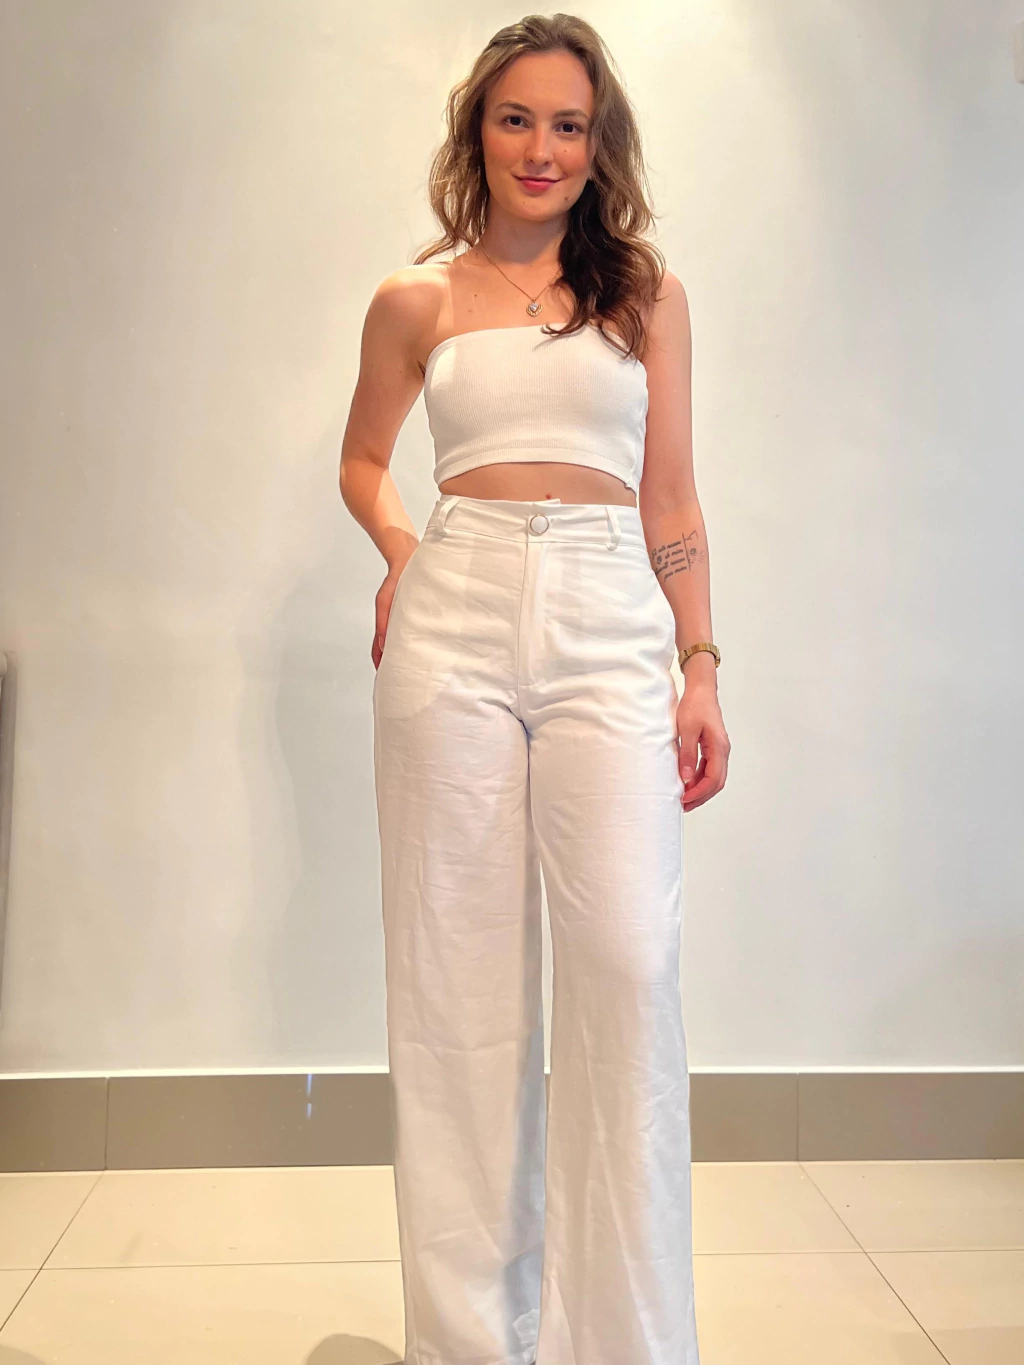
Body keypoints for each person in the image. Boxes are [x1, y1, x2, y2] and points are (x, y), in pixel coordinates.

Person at [340, 14, 729, 1365]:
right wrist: (405, 552)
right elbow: (364, 462)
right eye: (518, 118)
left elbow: (671, 497)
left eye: (570, 123)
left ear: (599, 144)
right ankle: (470, 1346)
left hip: (611, 618)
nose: (543, 147)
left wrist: (699, 661)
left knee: (628, 962)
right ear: (479, 131)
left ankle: (626, 1343)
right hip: (453, 613)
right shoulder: (417, 300)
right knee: (455, 989)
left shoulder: (645, 296)